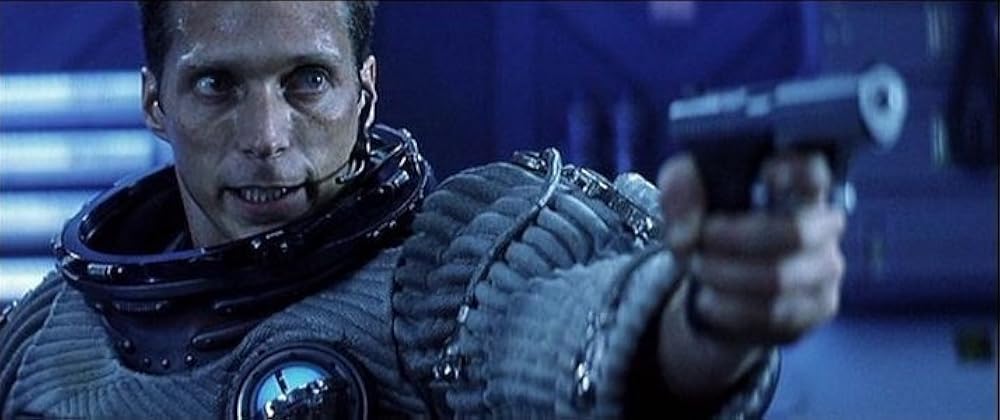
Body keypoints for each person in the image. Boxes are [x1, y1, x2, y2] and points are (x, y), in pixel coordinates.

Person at [0, 2, 845, 418]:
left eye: (307, 81)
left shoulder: (439, 275)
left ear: (364, 91)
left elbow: (556, 332)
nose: (266, 137)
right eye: (218, 84)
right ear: (156, 102)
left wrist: (708, 315)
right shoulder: (47, 334)